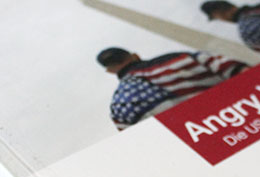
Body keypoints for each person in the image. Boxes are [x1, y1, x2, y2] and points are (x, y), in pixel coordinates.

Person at [97, 47, 247, 130]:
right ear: (135, 55)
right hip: (245, 120)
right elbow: (244, 72)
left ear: (109, 71)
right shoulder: (183, 58)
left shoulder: (118, 106)